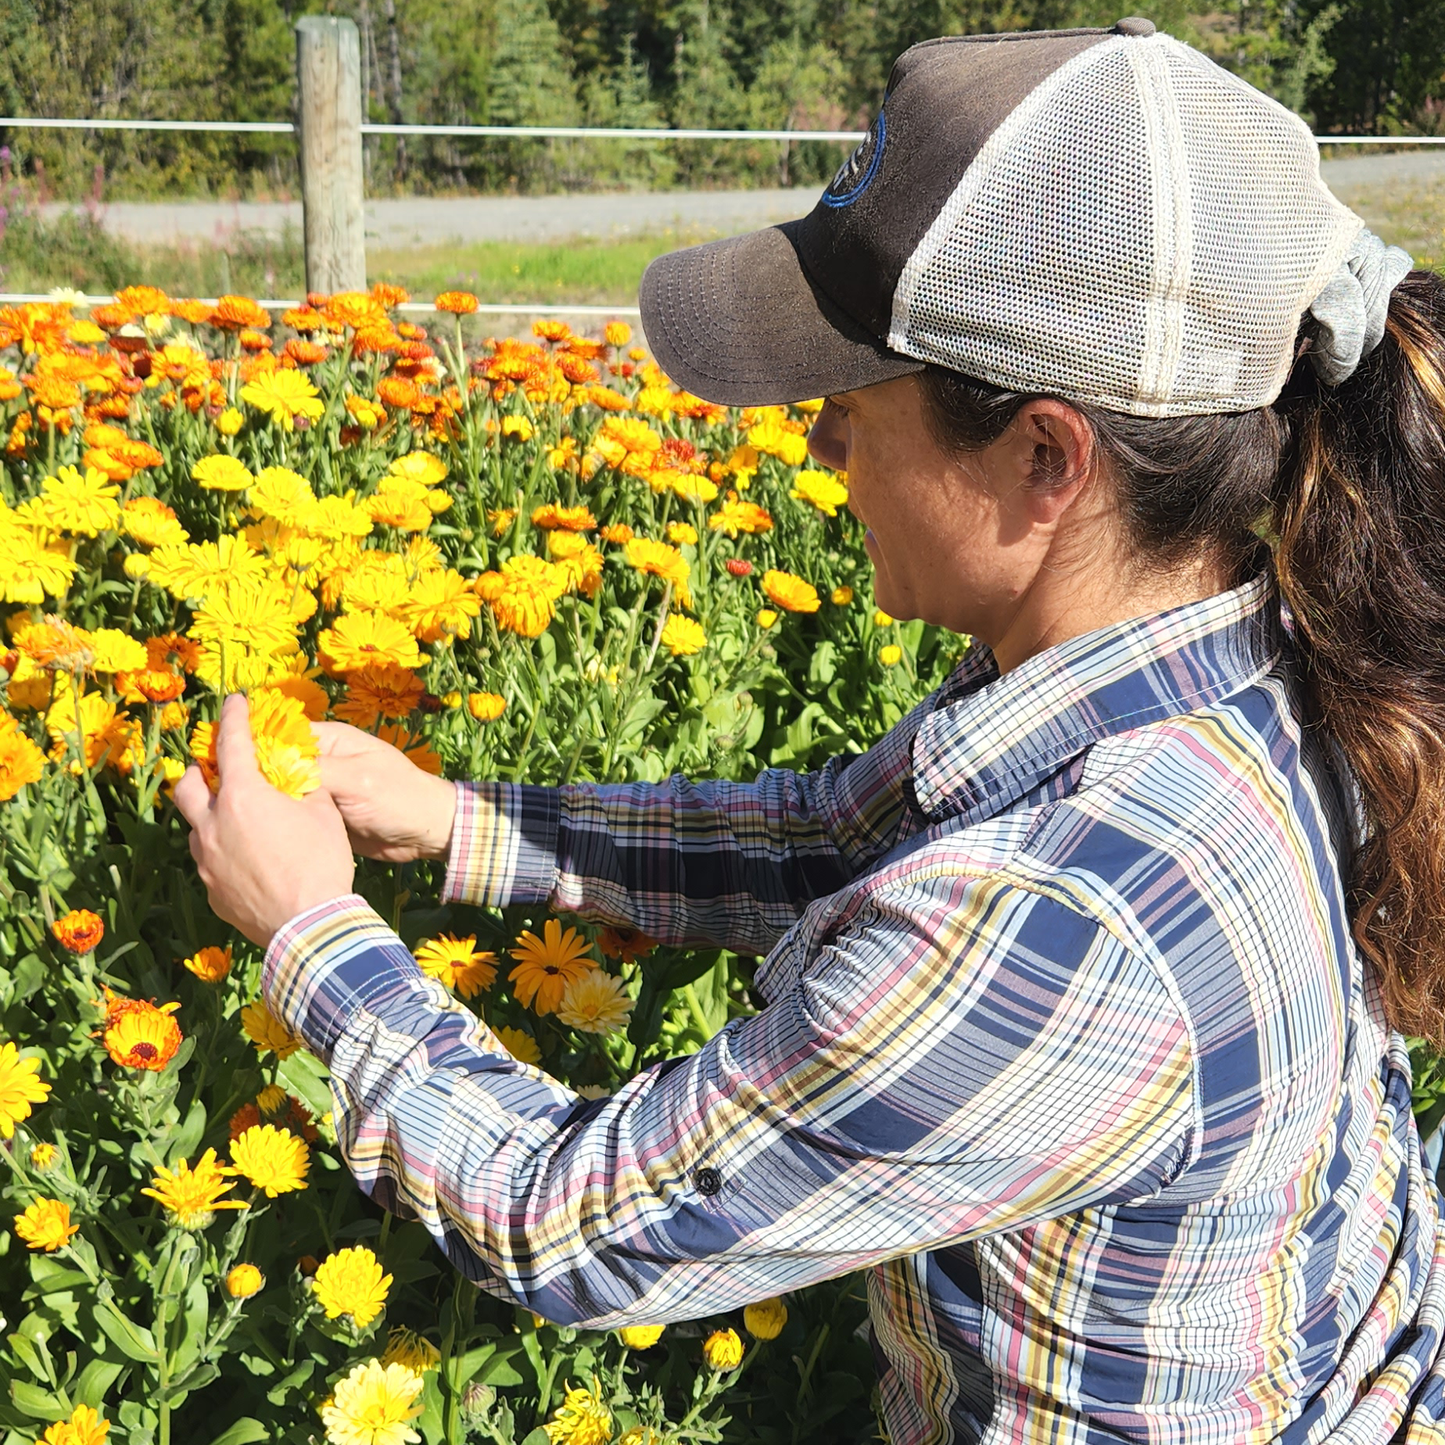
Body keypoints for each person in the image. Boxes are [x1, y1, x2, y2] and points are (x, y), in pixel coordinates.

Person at [175, 17, 1445, 1443]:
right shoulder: (1240, 660)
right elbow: (833, 838)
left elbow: (571, 1223)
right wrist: (472, 826)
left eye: (849, 402)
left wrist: (311, 936)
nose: (818, 445)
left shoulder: (1071, 917)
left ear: (1046, 457)